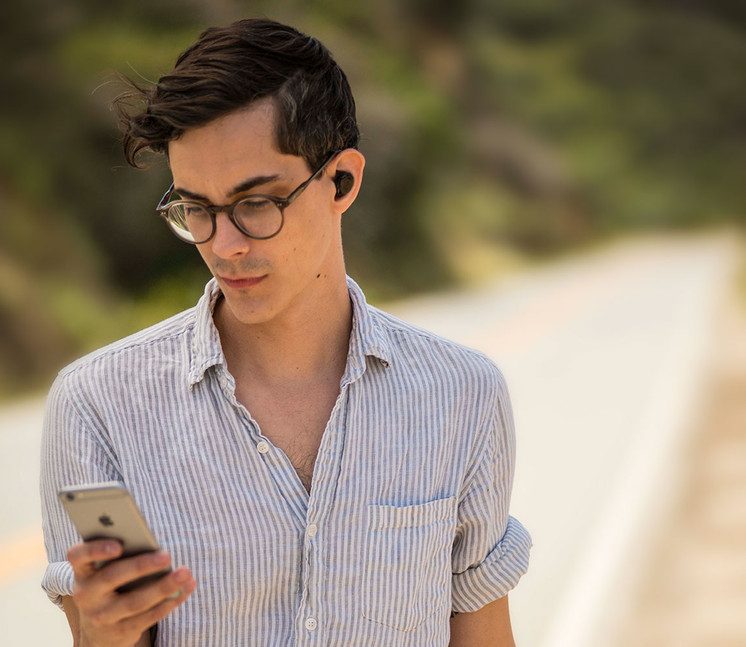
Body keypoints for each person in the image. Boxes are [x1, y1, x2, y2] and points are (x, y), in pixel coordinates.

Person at [39, 17, 532, 647]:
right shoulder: (99, 405)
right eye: (197, 208)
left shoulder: (461, 395)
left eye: (256, 203)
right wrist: (103, 633)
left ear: (342, 181)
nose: (224, 244)